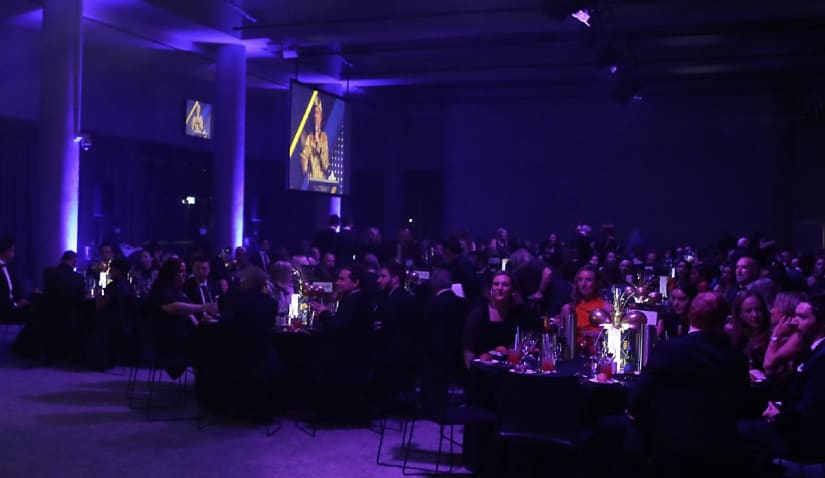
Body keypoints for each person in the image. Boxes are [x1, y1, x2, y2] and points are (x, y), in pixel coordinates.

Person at [626, 292, 750, 474]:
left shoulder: (667, 350)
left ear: (690, 315)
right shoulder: (735, 358)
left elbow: (637, 399)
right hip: (719, 449)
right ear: (724, 321)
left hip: (668, 444)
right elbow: (742, 406)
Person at [739, 294, 825, 468]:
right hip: (791, 420)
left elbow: (810, 414)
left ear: (822, 323)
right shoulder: (816, 350)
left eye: (802, 317)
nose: (795, 321)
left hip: (803, 441)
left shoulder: (821, 358)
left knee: (733, 431)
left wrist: (777, 417)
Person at [463, 271, 539, 367]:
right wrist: (472, 370)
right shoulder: (479, 312)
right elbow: (468, 348)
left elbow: (528, 342)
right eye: (496, 284)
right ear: (491, 288)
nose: (499, 288)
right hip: (483, 368)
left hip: (511, 368)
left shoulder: (520, 312)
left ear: (513, 289)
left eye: (505, 285)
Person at [299, 96, 330, 190]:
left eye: (317, 113)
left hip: (322, 184)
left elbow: (325, 166)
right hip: (312, 184)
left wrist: (319, 147)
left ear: (321, 116)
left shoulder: (324, 137)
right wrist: (306, 173)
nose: (315, 116)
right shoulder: (309, 138)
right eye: (314, 113)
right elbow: (304, 156)